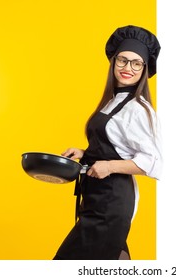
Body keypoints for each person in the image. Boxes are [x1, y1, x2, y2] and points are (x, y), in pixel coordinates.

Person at [53, 25, 162, 260]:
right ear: (113, 61)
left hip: (111, 203)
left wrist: (109, 167)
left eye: (136, 63)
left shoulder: (137, 108)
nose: (127, 68)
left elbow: (152, 161)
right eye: (122, 60)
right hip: (96, 198)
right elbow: (116, 147)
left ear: (144, 69)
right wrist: (84, 152)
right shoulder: (112, 101)